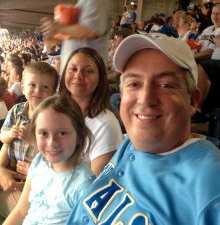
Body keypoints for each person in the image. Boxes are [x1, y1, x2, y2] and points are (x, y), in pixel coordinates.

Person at [66, 34, 220, 225]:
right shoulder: (129, 142)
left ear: (192, 101)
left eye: (165, 85)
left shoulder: (211, 186)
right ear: (122, 95)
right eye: (134, 84)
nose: (145, 98)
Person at [0, 62, 59, 225]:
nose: (38, 90)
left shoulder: (53, 118)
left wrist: (32, 140)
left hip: (34, 176)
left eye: (45, 87)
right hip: (12, 165)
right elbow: (3, 139)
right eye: (32, 85)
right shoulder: (17, 111)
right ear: (23, 88)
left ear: (53, 92)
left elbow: (55, 151)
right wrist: (9, 135)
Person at [3, 94, 96, 225]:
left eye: (62, 133)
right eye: (43, 133)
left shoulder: (84, 185)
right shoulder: (39, 160)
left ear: (80, 136)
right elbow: (21, 211)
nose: (52, 143)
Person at [59, 47, 123, 176]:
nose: (78, 75)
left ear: (100, 80)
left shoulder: (106, 124)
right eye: (73, 69)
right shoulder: (55, 112)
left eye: (88, 71)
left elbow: (95, 186)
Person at [41, 0, 111, 73]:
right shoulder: (84, 1)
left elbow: (90, 30)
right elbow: (79, 37)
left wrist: (56, 28)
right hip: (76, 73)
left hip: (87, 74)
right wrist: (57, 38)